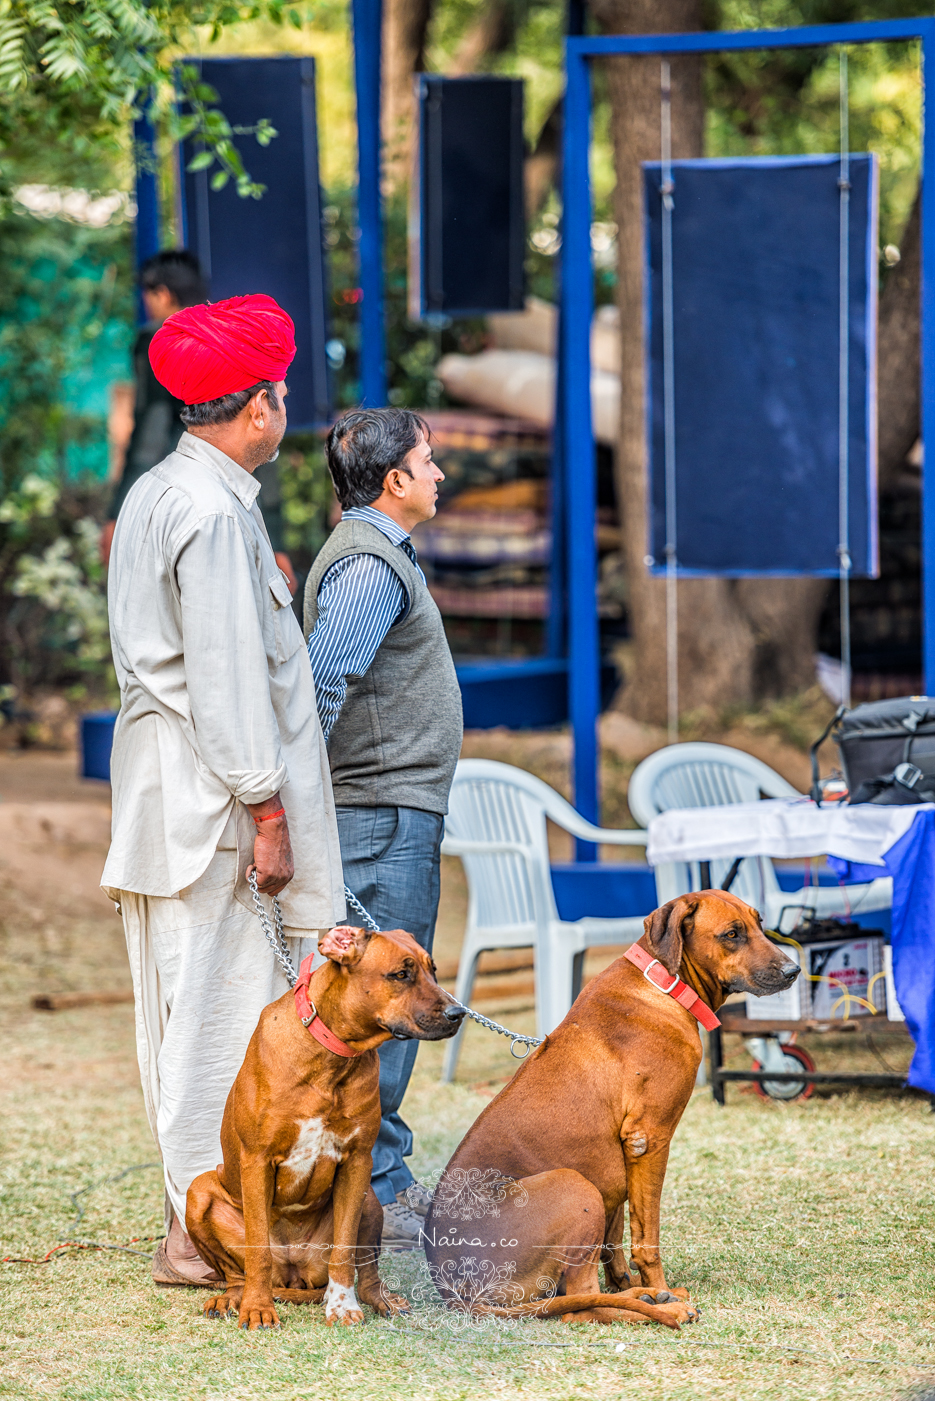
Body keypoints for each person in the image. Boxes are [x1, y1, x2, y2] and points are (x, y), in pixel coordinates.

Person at [102, 293, 344, 1287]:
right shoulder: (206, 513)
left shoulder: (171, 491)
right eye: (280, 397)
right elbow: (227, 680)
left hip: (186, 793)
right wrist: (267, 808)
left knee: (203, 1010)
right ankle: (198, 1232)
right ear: (259, 408)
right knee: (216, 1018)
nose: (284, 414)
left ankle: (198, 1224)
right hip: (211, 807)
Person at [304, 408, 463, 1250]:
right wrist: (293, 801)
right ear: (394, 480)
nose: (439, 475)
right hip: (374, 811)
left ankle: (376, 1180)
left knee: (390, 997)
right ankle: (379, 1196)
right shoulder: (368, 563)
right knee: (390, 998)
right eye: (428, 462)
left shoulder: (380, 553)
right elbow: (323, 681)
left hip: (384, 806)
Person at [100, 249, 296, 592]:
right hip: (244, 488)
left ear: (161, 294)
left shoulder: (165, 345)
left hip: (186, 490)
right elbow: (258, 436)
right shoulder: (232, 341)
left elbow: (151, 430)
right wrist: (275, 539)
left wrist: (120, 512)